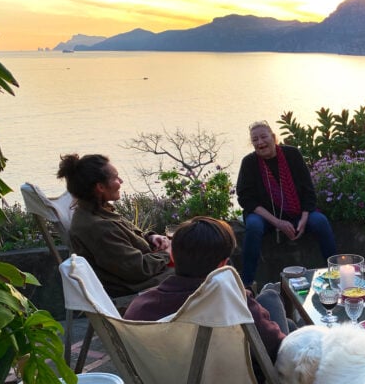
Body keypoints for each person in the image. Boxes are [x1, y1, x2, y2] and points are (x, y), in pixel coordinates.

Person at [124, 216, 292, 365]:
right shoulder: (238, 306)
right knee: (270, 296)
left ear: (173, 257)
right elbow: (281, 352)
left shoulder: (139, 309)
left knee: (288, 321)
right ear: (223, 264)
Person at [236, 120, 337, 288]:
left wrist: (304, 218)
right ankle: (247, 283)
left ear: (273, 137)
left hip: (297, 212)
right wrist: (277, 222)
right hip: (265, 216)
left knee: (320, 222)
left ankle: (335, 273)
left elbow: (308, 188)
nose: (260, 142)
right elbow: (245, 198)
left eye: (263, 137)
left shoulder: (292, 154)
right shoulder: (249, 162)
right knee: (253, 227)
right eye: (255, 140)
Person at [57, 153, 171, 297]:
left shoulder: (100, 211)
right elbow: (137, 269)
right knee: (200, 271)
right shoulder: (97, 227)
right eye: (116, 177)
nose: (121, 181)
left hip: (146, 276)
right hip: (136, 288)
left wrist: (151, 237)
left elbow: (127, 242)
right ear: (100, 187)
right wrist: (166, 254)